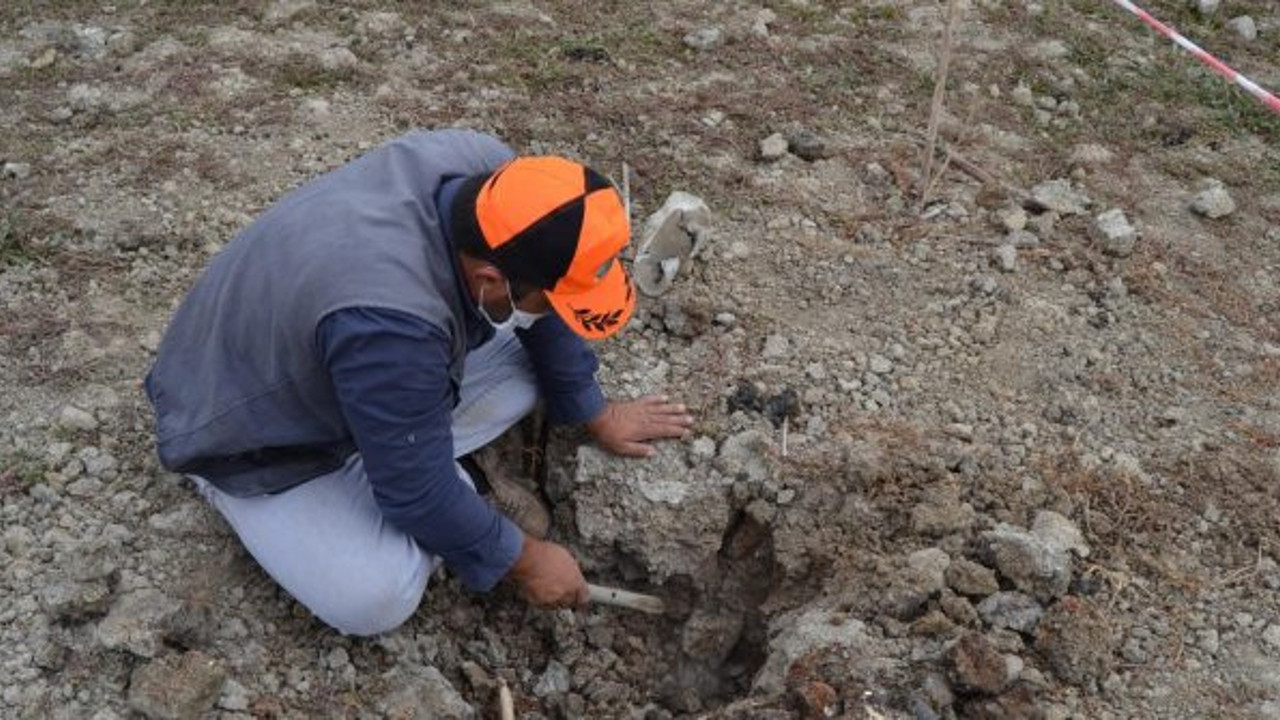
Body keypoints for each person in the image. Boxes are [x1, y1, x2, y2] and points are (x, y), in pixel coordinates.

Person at [144, 129, 694, 636]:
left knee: (529, 379)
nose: (549, 312)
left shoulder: (493, 177)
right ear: (490, 279)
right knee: (376, 595)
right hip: (241, 430)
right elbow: (415, 493)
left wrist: (593, 409)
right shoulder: (392, 326)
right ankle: (262, 487)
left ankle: (407, 458)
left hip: (330, 349)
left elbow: (550, 313)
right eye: (546, 301)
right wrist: (524, 558)